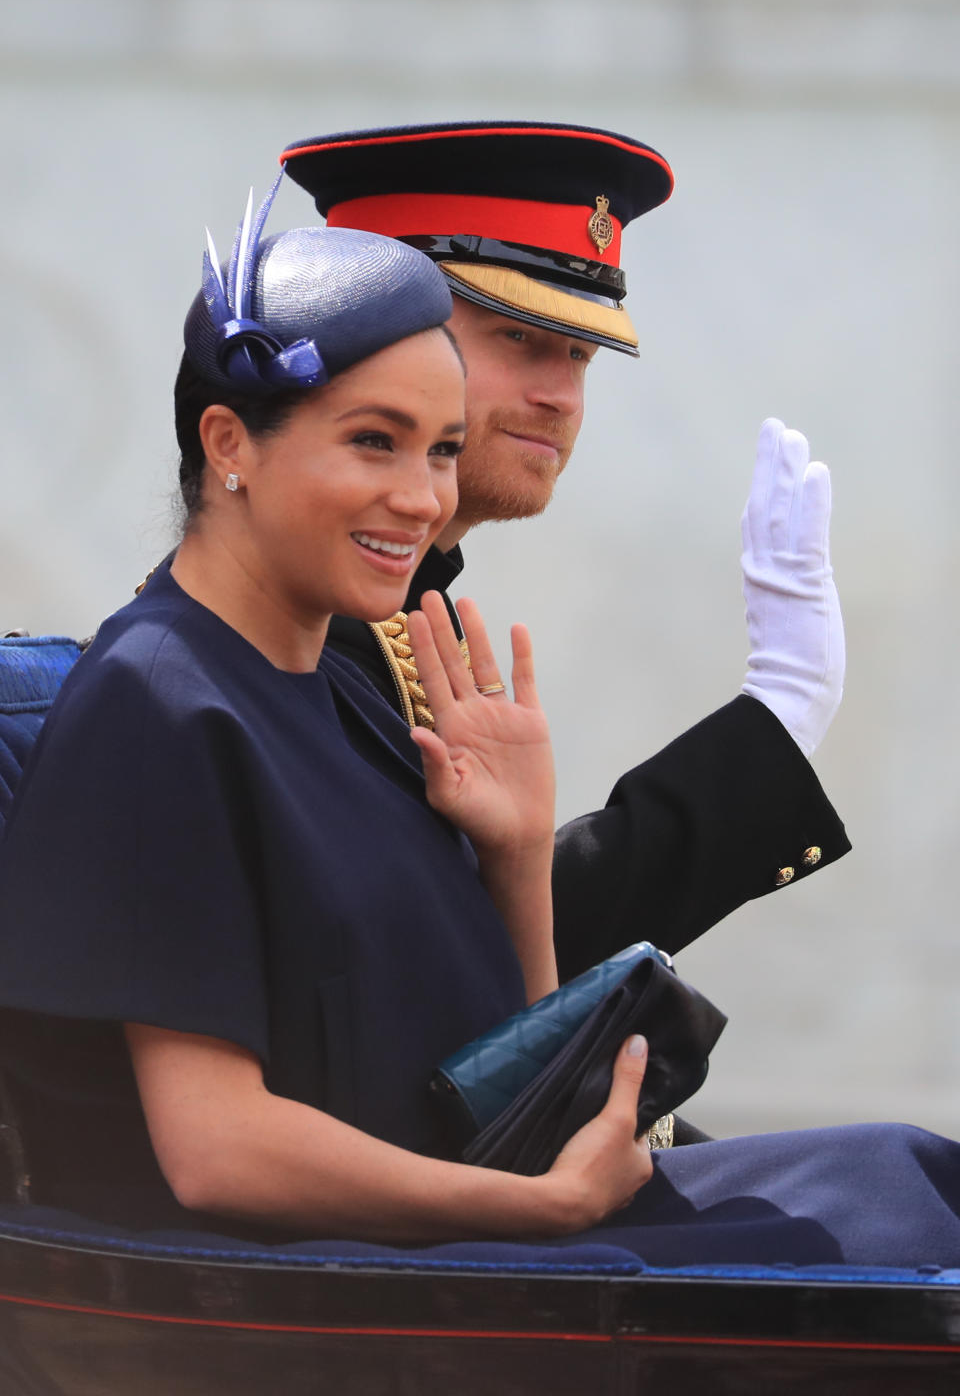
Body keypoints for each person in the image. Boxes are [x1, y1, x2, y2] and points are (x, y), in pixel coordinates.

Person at [1, 176, 957, 1269]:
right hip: (360, 1290)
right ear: (231, 443)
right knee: (901, 1229)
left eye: (443, 451)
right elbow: (215, 1151)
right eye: (374, 441)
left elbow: (499, 1063)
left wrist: (511, 855)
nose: (422, 498)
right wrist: (541, 1211)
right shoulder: (163, 696)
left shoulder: (321, 684)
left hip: (464, 1241)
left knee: (907, 1177)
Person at [280, 121, 850, 982]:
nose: (560, 396)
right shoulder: (297, 625)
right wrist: (779, 716)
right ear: (375, 338)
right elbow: (440, 967)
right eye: (519, 338)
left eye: (581, 353)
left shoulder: (400, 610)